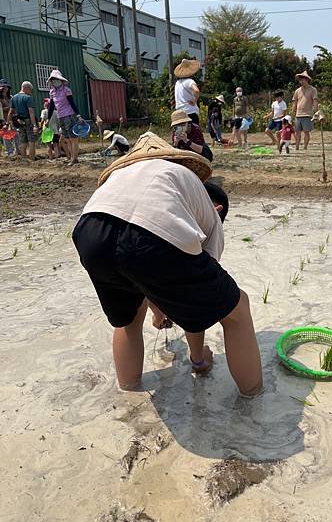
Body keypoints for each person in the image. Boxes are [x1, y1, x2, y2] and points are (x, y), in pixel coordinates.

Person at [72, 132, 262, 397]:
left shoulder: (129, 176)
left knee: (129, 319)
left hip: (90, 232)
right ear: (218, 209)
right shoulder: (198, 193)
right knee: (237, 309)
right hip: (149, 235)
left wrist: (158, 308)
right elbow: (198, 300)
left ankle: (129, 394)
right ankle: (254, 399)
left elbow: (141, 260)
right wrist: (198, 359)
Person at [47, 69, 83, 166]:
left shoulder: (66, 90)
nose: (55, 81)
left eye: (56, 79)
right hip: (60, 117)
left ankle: (74, 158)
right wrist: (48, 119)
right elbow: (51, 107)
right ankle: (72, 157)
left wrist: (78, 116)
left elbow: (72, 103)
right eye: (53, 80)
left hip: (69, 115)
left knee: (73, 138)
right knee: (67, 139)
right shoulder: (52, 92)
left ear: (61, 80)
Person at [8, 81, 39, 160]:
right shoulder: (28, 98)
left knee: (23, 141)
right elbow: (31, 112)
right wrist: (35, 125)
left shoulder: (14, 98)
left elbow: (11, 112)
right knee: (31, 140)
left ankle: (24, 158)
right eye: (30, 90)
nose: (30, 92)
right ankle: (32, 158)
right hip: (28, 120)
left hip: (19, 121)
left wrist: (9, 122)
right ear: (26, 88)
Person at [291, 71, 318, 151]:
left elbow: (315, 101)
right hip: (298, 115)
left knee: (306, 132)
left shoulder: (313, 90)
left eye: (302, 80)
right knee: (297, 132)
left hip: (308, 114)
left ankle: (305, 147)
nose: (301, 81)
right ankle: (297, 147)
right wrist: (292, 113)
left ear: (306, 80)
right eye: (300, 80)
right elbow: (294, 103)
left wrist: (316, 113)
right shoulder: (297, 91)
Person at [174, 58, 201, 125]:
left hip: (180, 115)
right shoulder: (189, 81)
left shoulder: (177, 83)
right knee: (194, 134)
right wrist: (194, 101)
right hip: (190, 112)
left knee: (183, 134)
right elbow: (196, 91)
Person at [0, 79, 17, 157]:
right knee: (6, 136)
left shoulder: (11, 97)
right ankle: (9, 152)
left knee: (16, 134)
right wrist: (8, 108)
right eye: (3, 87)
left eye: (6, 87)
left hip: (12, 118)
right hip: (4, 119)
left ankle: (17, 150)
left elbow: (15, 107)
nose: (5, 89)